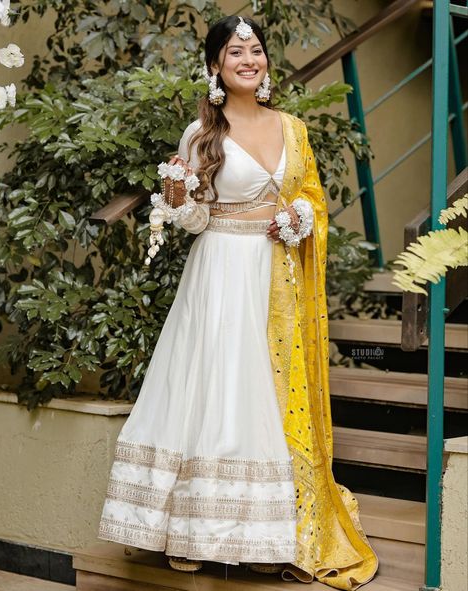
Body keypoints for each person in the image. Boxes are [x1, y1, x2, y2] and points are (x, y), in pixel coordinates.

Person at [98, 15, 378, 589]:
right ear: (216, 68)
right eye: (234, 52)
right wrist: (177, 195)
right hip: (221, 270)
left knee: (264, 397)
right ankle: (192, 533)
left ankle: (266, 534)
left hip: (273, 276)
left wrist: (299, 219)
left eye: (255, 50)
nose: (248, 59)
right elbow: (198, 217)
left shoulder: (292, 129)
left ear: (265, 62)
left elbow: (312, 203)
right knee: (214, 391)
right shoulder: (203, 135)